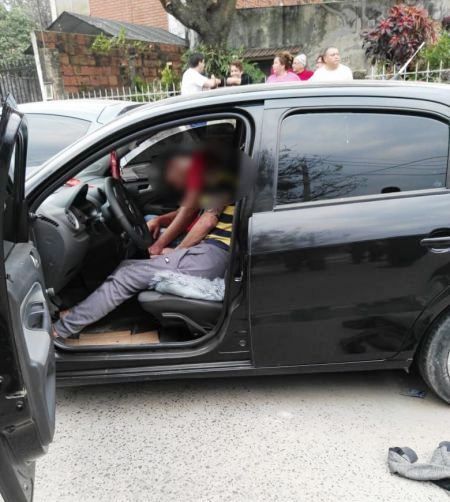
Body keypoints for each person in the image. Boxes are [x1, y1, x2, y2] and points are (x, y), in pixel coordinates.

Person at [53, 201, 235, 339]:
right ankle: (78, 313)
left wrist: (177, 252)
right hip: (212, 251)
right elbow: (192, 211)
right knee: (127, 266)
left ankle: (61, 330)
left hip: (215, 253)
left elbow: (208, 221)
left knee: (126, 275)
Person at [147, 150, 205, 256]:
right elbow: (181, 212)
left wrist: (159, 245)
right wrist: (158, 220)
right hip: (186, 230)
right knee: (149, 219)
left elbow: (189, 212)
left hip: (191, 237)